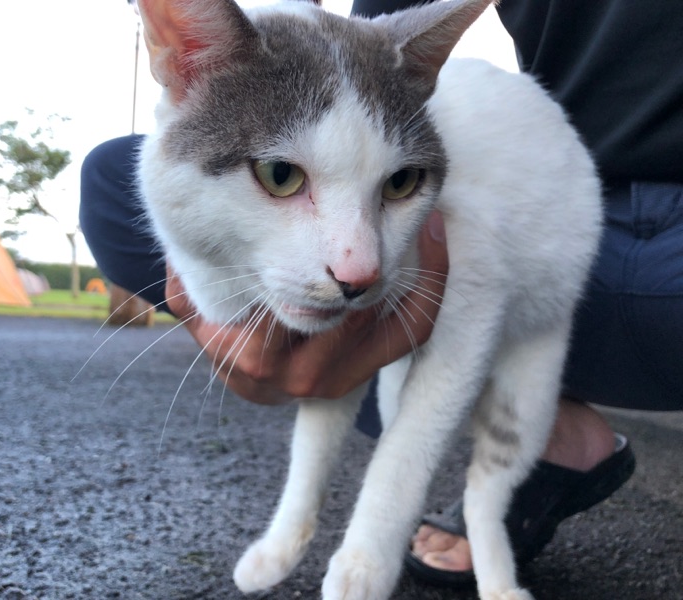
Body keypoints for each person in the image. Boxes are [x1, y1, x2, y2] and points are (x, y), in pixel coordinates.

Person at [80, 0, 683, 588]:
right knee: (109, 175)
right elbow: (353, 60)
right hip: (558, 188)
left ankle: (504, 419)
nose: (359, 267)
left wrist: (377, 533)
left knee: (454, 255)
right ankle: (519, 420)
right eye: (281, 175)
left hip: (616, 241)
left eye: (398, 183)